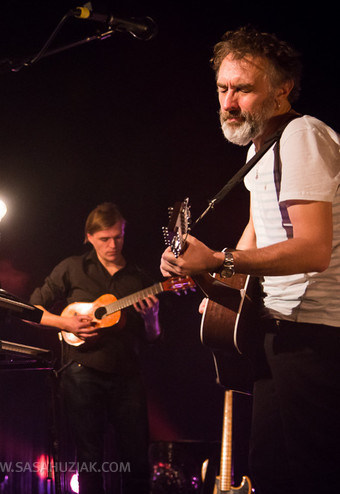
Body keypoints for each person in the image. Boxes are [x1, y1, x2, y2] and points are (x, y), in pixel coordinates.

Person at [160, 27, 340, 493]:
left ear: (282, 89)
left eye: (243, 88)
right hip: (280, 335)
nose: (228, 102)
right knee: (273, 472)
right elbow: (244, 269)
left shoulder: (301, 136)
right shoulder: (262, 155)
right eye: (223, 88)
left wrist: (217, 259)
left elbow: (314, 249)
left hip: (318, 338)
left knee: (311, 474)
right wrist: (197, 270)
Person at [30, 202, 160, 494]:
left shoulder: (139, 278)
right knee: (89, 459)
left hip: (127, 375)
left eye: (118, 237)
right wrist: (66, 323)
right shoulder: (72, 268)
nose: (113, 245)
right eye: (104, 239)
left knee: (137, 460)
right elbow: (32, 308)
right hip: (81, 372)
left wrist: (153, 317)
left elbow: (152, 338)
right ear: (89, 236)